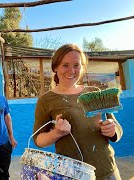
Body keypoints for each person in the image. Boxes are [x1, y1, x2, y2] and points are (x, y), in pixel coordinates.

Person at [33, 44, 123, 180]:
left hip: (107, 170)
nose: (71, 70)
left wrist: (112, 130)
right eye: (65, 65)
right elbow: (38, 140)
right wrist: (57, 133)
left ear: (82, 68)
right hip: (72, 174)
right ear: (55, 67)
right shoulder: (46, 100)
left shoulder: (94, 92)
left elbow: (117, 128)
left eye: (76, 65)